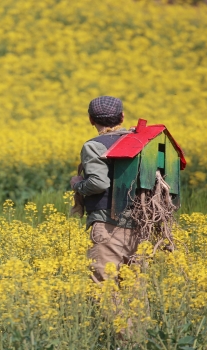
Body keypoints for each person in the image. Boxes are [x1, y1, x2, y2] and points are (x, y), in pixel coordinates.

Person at [69, 96, 139, 284]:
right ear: (122, 117)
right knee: (135, 293)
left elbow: (99, 183)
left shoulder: (94, 146)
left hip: (108, 225)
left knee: (104, 290)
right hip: (141, 227)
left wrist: (77, 184)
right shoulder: (139, 142)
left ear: (91, 119)